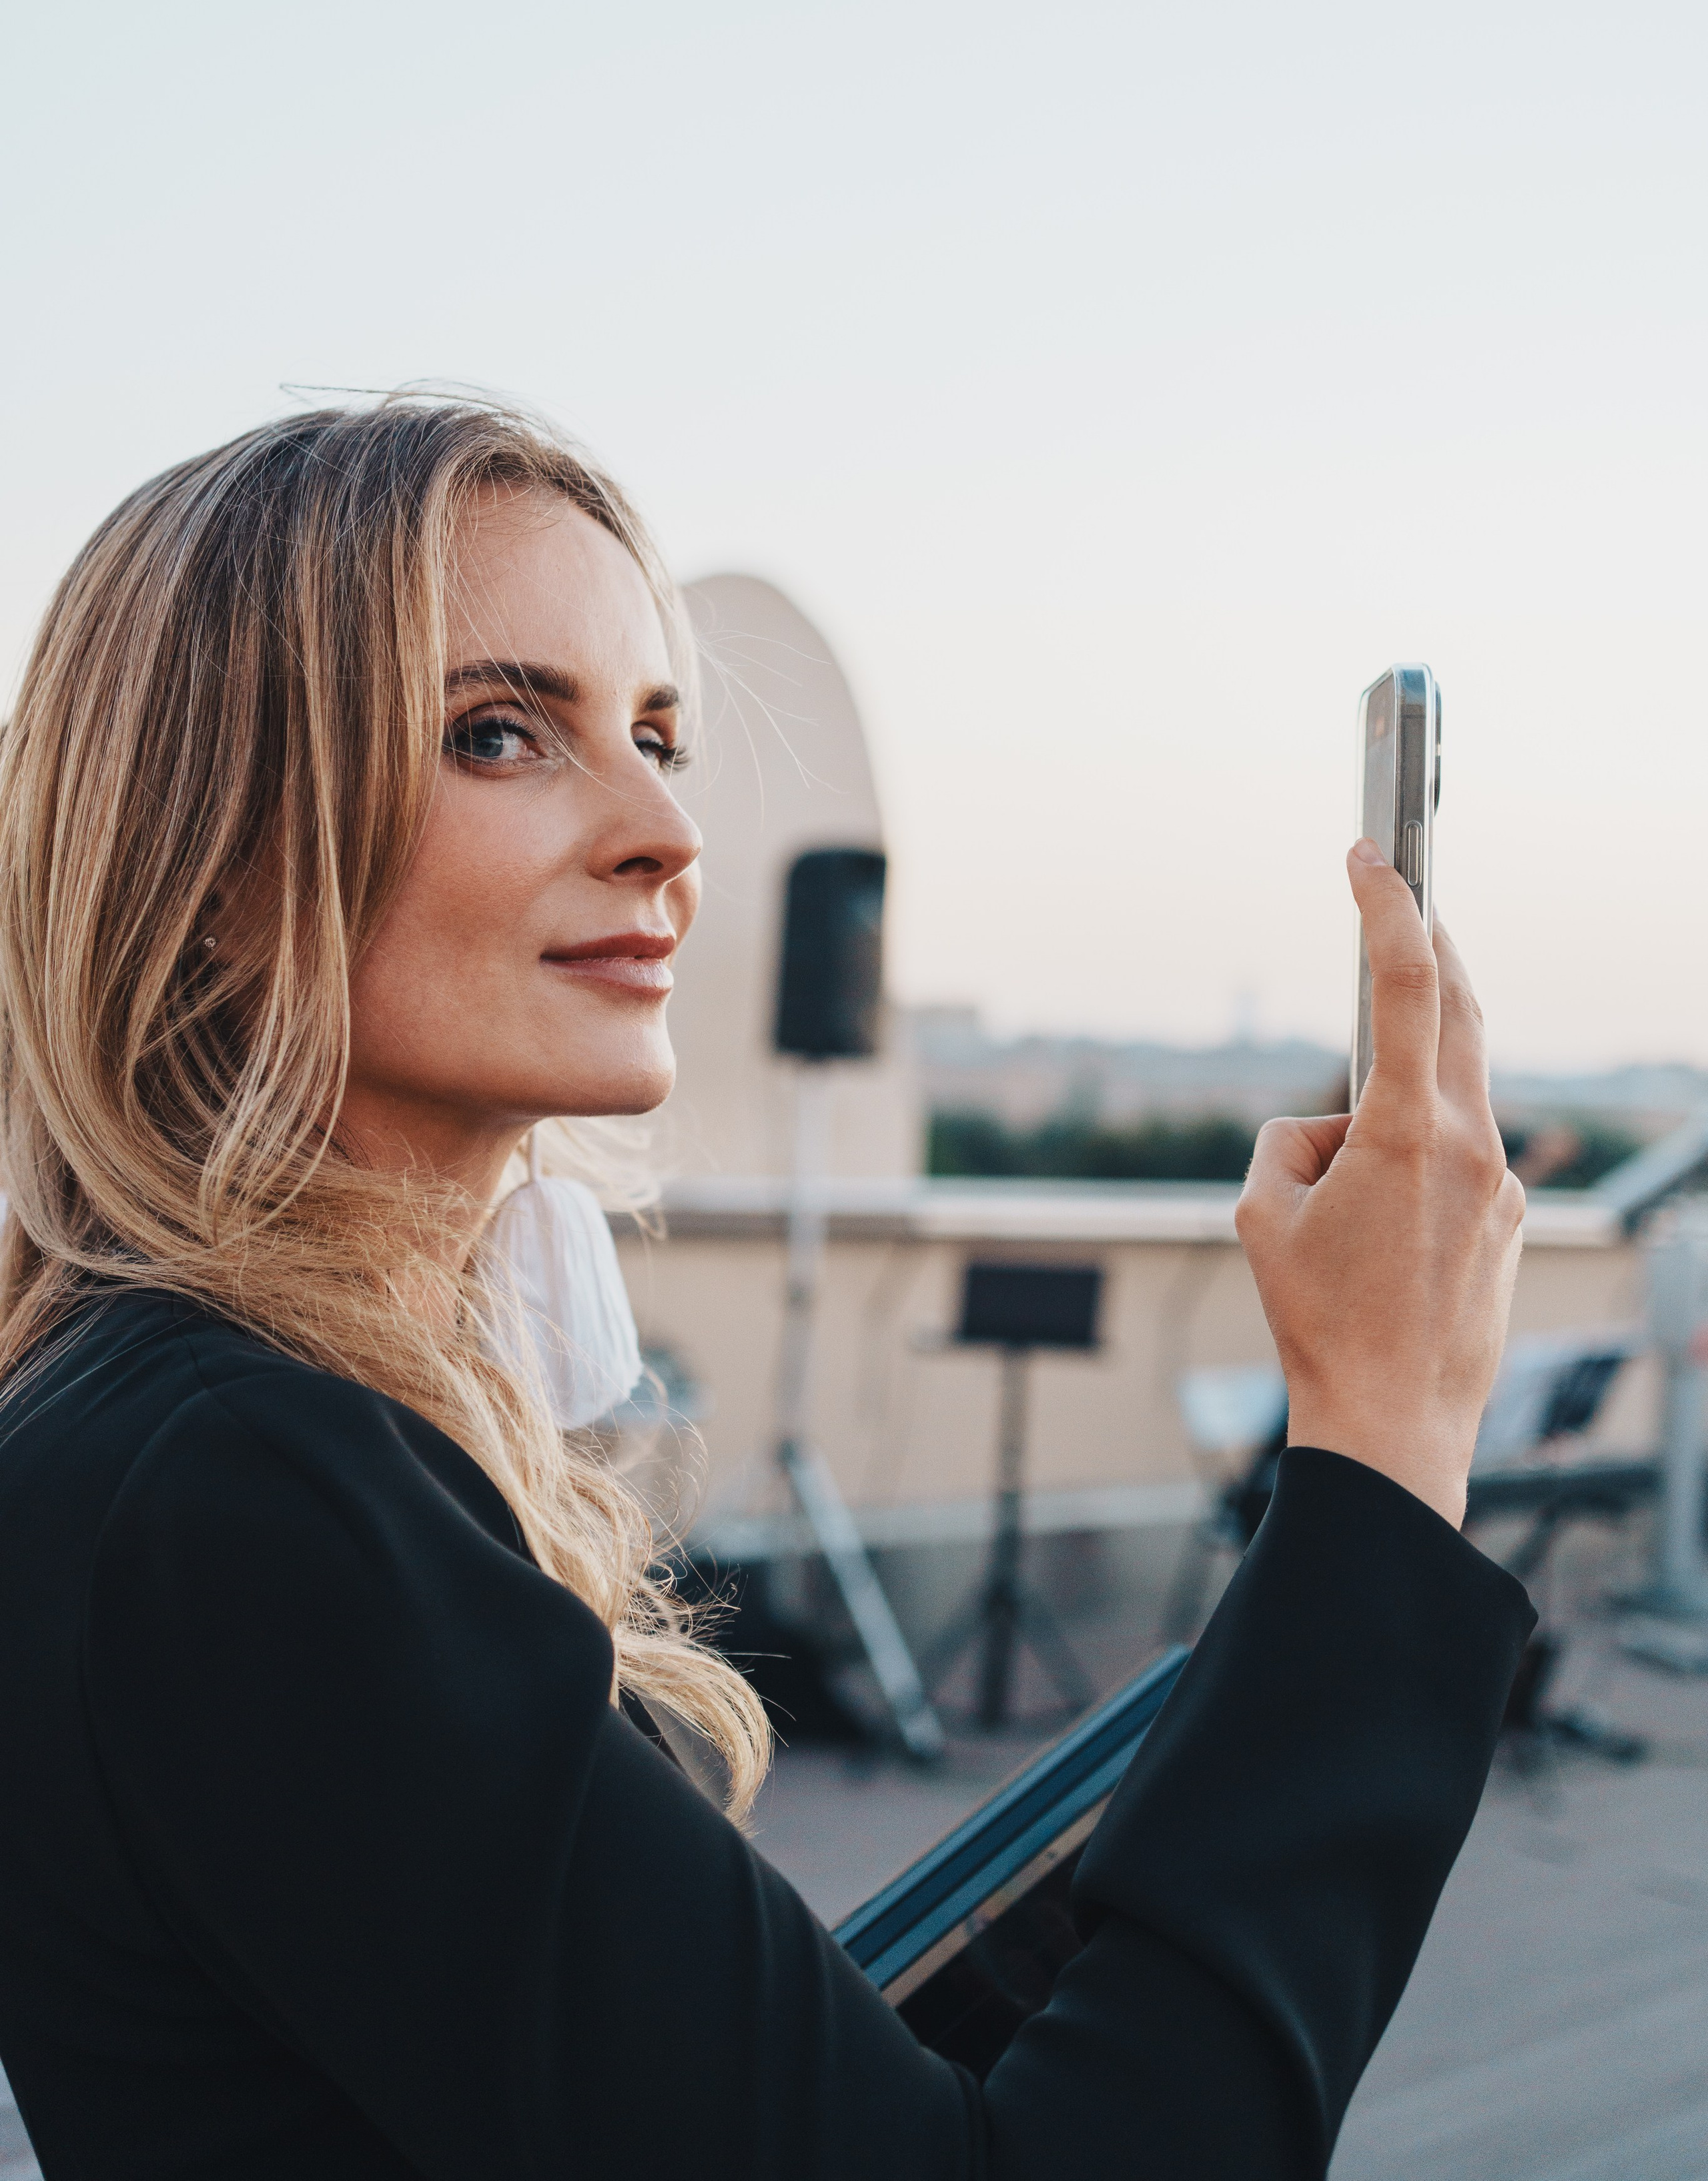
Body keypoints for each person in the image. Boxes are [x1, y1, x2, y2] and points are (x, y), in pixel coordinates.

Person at [0, 398, 1530, 2181]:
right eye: (501, 733)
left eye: (657, 733)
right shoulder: (236, 1489)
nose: (664, 827)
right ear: (221, 866)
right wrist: (1387, 1447)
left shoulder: (194, 1427)